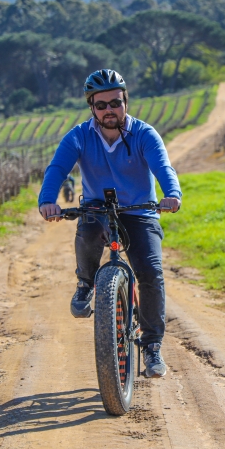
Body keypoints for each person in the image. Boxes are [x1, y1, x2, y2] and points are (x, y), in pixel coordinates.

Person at [38, 69, 182, 378]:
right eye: (101, 105)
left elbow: (163, 167)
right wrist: (47, 200)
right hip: (97, 207)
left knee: (151, 274)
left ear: (125, 102)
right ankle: (86, 283)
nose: (108, 111)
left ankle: (152, 346)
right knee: (88, 228)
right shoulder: (78, 136)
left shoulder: (144, 134)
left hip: (140, 211)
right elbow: (57, 168)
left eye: (115, 103)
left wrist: (172, 194)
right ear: (92, 107)